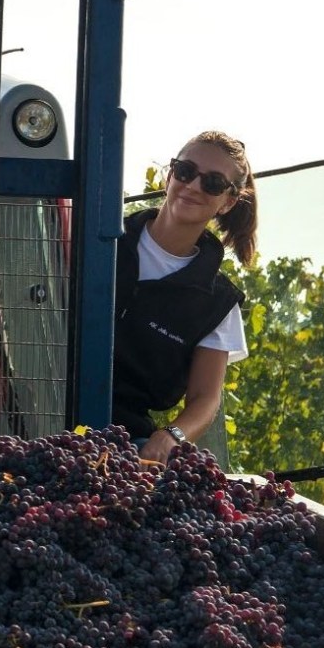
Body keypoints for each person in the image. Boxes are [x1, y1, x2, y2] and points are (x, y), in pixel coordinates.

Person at [112, 129, 257, 465]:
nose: (193, 186)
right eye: (186, 172)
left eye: (213, 183)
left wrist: (171, 436)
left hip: (123, 445)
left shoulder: (218, 303)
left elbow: (206, 398)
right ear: (170, 175)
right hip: (40, 411)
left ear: (229, 201)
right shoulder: (99, 240)